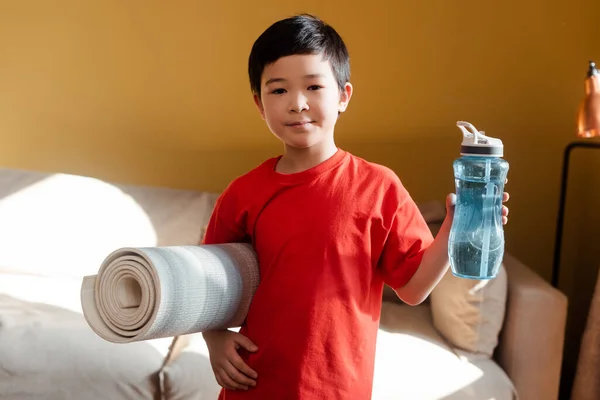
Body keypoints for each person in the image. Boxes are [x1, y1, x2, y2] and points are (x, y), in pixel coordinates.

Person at [201, 13, 510, 400]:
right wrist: (214, 339)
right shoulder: (243, 193)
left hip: (340, 389)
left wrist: (455, 225)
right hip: (255, 384)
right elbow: (204, 284)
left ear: (343, 95)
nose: (297, 103)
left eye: (313, 86)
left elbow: (414, 288)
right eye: (278, 91)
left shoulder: (379, 187)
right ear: (259, 104)